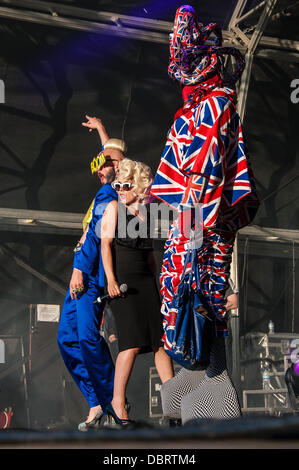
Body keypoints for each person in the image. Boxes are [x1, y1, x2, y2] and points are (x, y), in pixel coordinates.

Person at [150, 5, 259, 423]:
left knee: (207, 295)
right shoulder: (199, 104)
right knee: (183, 292)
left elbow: (208, 163)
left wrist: (195, 221)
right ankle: (199, 376)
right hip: (192, 219)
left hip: (205, 220)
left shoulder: (215, 104)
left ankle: (217, 384)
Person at [57, 116, 126, 430]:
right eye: (97, 166)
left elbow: (97, 235)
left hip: (89, 276)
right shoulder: (106, 182)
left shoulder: (112, 192)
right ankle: (97, 402)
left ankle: (113, 401)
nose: (100, 170)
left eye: (104, 165)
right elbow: (108, 156)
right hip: (80, 272)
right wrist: (101, 131)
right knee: (66, 338)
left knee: (85, 337)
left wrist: (79, 270)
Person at [100, 158, 174, 426]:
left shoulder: (148, 213)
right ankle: (118, 405)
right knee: (130, 343)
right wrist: (110, 280)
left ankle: (173, 405)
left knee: (160, 344)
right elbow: (105, 247)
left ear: (138, 186)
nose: (120, 188)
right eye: (118, 184)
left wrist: (158, 284)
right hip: (123, 283)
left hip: (146, 282)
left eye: (125, 185)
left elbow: (151, 252)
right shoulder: (112, 208)